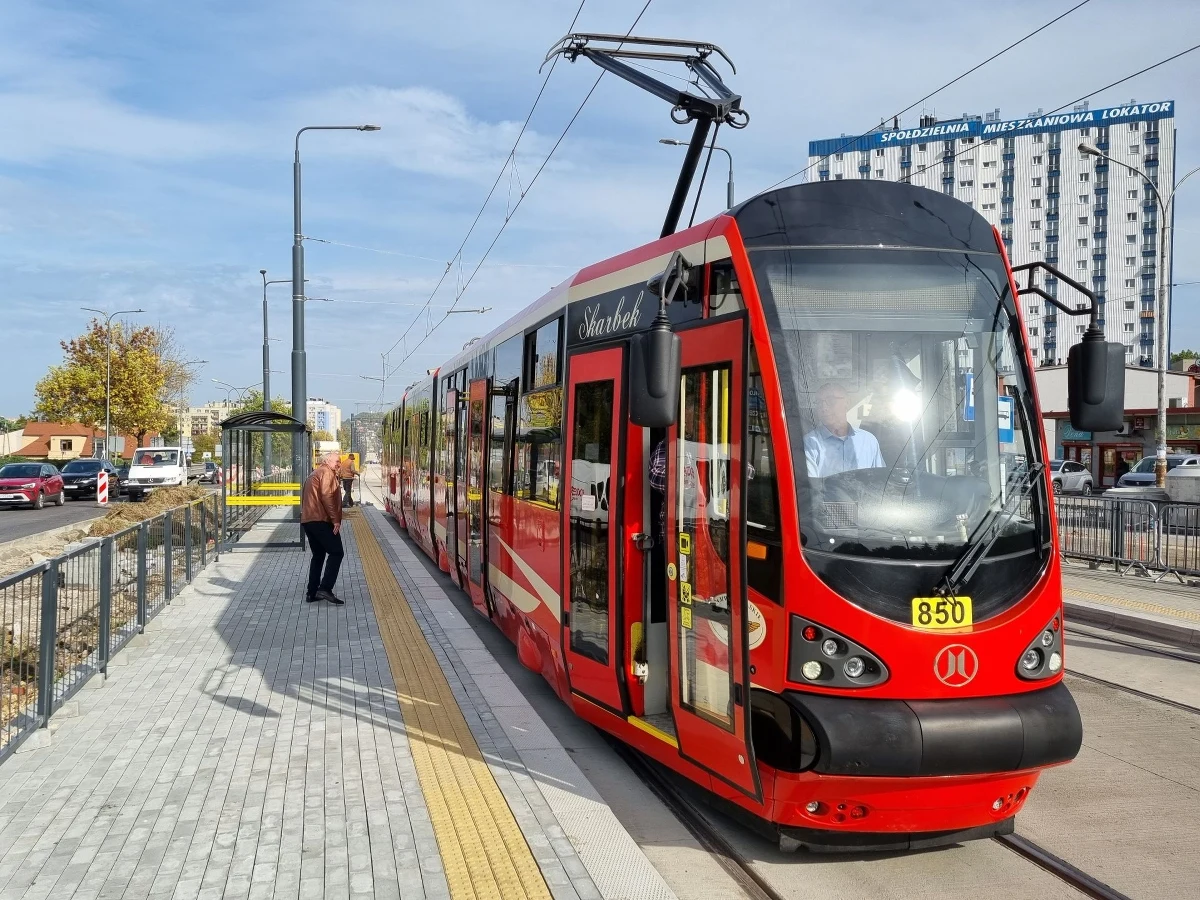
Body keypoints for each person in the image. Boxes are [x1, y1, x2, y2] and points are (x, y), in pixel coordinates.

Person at [804, 382, 885, 478]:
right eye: (819, 402)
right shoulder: (811, 443)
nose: (824, 407)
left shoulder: (868, 441)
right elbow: (812, 489)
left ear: (847, 402)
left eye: (831, 400)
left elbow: (879, 479)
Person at [300, 450, 346, 605]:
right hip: (321, 520)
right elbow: (326, 496)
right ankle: (325, 588)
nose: (339, 464)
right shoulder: (326, 472)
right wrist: (335, 520)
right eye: (336, 461)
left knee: (318, 556)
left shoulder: (314, 473)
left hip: (309, 520)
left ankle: (311, 593)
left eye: (339, 461)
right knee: (337, 552)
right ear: (327, 461)